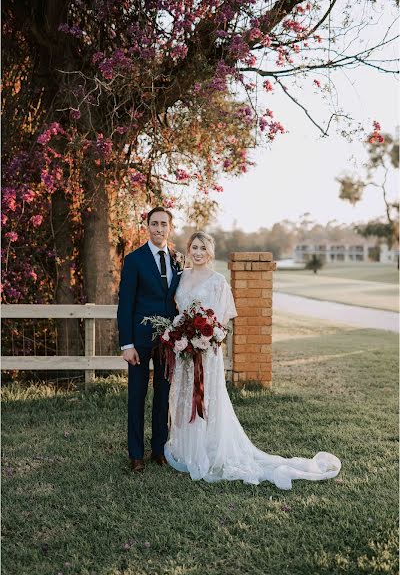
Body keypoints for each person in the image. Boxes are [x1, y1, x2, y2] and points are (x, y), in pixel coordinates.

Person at [164, 231, 341, 490]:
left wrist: (204, 337)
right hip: (184, 353)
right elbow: (177, 313)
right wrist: (181, 335)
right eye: (194, 247)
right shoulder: (180, 278)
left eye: (202, 247)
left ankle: (208, 450)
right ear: (188, 249)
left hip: (206, 352)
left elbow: (221, 321)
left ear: (209, 251)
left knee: (207, 399)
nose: (198, 252)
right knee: (183, 395)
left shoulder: (218, 281)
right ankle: (185, 447)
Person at [117, 207, 183, 472]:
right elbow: (126, 305)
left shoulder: (178, 260)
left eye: (163, 224)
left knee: (163, 396)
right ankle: (135, 454)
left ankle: (159, 449)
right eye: (154, 224)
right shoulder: (134, 260)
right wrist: (127, 344)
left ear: (170, 227)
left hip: (169, 342)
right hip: (140, 342)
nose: (159, 229)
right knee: (137, 396)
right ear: (147, 227)